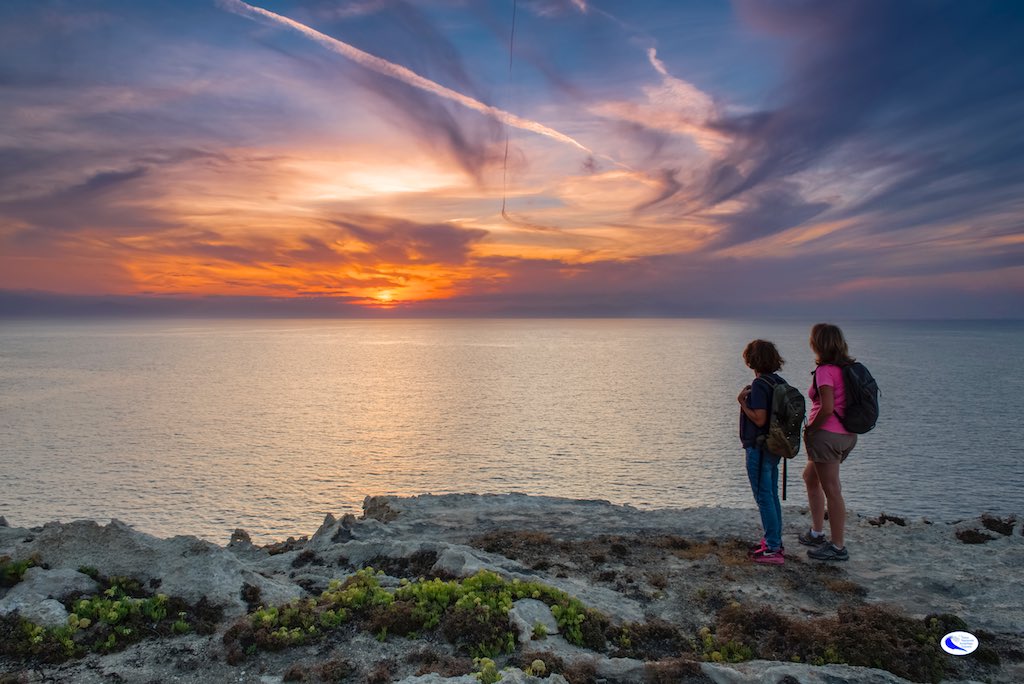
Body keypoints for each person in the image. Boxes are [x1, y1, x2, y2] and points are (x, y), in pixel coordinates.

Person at [799, 323, 857, 561]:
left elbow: (827, 407)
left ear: (817, 343)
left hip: (827, 435)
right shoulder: (849, 369)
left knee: (832, 489)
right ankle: (816, 532)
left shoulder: (825, 371)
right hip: (847, 434)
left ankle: (837, 546)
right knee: (810, 477)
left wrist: (811, 429)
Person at [738, 339, 788, 565]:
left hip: (758, 447)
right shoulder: (778, 382)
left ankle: (773, 548)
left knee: (763, 496)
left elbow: (760, 418)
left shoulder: (759, 385)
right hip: (773, 447)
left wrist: (742, 403)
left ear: (751, 360)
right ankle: (774, 541)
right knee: (771, 494)